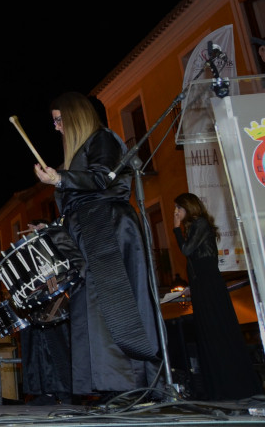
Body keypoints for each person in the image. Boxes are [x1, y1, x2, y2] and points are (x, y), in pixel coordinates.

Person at [34, 92, 160, 399]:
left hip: (106, 224)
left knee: (111, 305)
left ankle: (127, 386)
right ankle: (108, 385)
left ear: (75, 116)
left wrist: (61, 179)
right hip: (90, 226)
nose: (56, 127)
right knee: (92, 306)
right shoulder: (84, 149)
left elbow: (104, 177)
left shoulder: (102, 139)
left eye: (59, 119)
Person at [172, 193, 261, 400]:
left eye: (179, 208)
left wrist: (176, 228)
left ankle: (234, 387)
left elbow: (187, 250)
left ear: (189, 207)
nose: (176, 212)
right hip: (201, 284)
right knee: (208, 333)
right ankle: (218, 389)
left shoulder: (200, 224)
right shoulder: (195, 226)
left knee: (218, 330)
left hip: (209, 283)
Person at [17, 221, 72, 406]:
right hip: (41, 303)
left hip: (61, 298)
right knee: (39, 348)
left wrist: (47, 230)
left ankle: (66, 394)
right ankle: (46, 393)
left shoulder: (57, 233)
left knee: (59, 348)